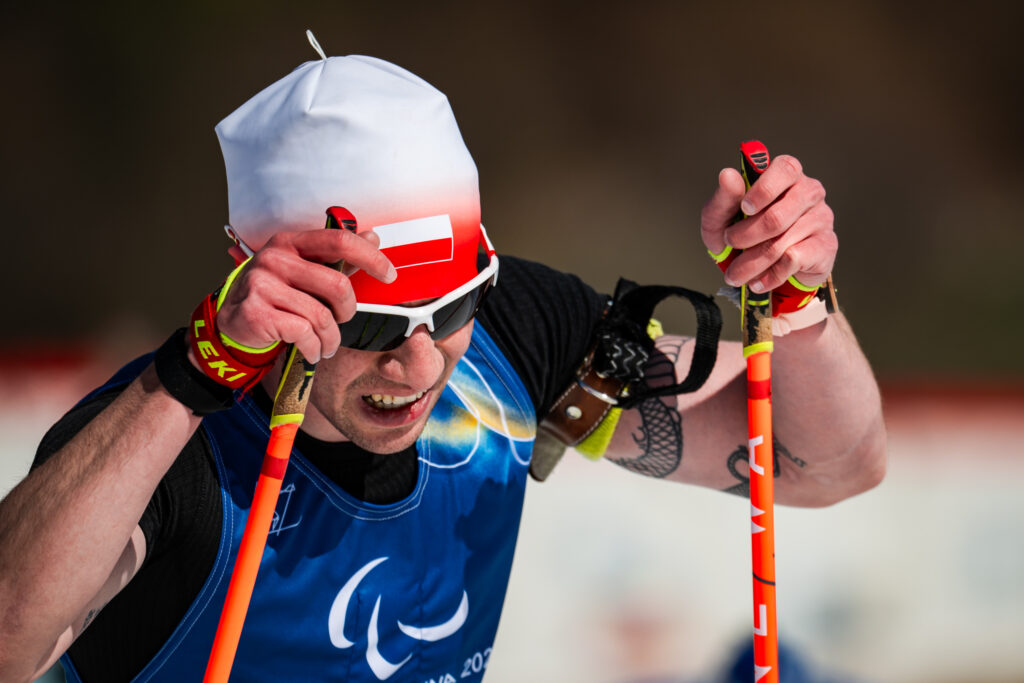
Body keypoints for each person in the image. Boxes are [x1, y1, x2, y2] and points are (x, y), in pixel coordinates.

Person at [0, 41, 886, 683]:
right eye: (374, 325)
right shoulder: (171, 436)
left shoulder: (514, 333)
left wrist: (797, 298)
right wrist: (188, 378)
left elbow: (828, 463)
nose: (420, 362)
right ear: (261, 275)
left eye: (454, 307)